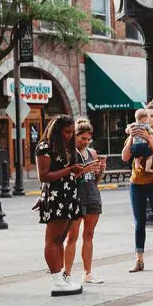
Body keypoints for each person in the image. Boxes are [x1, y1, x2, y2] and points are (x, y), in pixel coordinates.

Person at [35, 114, 84, 296]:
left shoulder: (66, 146)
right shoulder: (45, 147)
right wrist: (70, 169)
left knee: (61, 239)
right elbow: (44, 176)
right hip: (56, 197)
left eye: (72, 132)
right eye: (67, 131)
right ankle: (57, 279)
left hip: (69, 195)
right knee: (52, 240)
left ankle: (62, 276)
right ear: (57, 130)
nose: (70, 135)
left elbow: (67, 174)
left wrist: (77, 171)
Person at [122, 99, 153, 273]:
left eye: (152, 116)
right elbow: (125, 157)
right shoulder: (136, 132)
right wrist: (130, 137)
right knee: (139, 222)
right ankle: (139, 260)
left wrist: (149, 138)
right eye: (145, 115)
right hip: (137, 183)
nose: (148, 119)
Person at [63, 118, 106, 285]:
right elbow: (67, 178)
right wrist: (85, 169)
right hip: (75, 197)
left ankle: (88, 273)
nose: (86, 142)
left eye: (88, 139)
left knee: (89, 235)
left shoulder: (92, 153)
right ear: (75, 136)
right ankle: (66, 274)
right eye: (83, 139)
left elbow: (95, 180)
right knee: (72, 236)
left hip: (92, 196)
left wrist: (100, 170)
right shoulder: (69, 153)